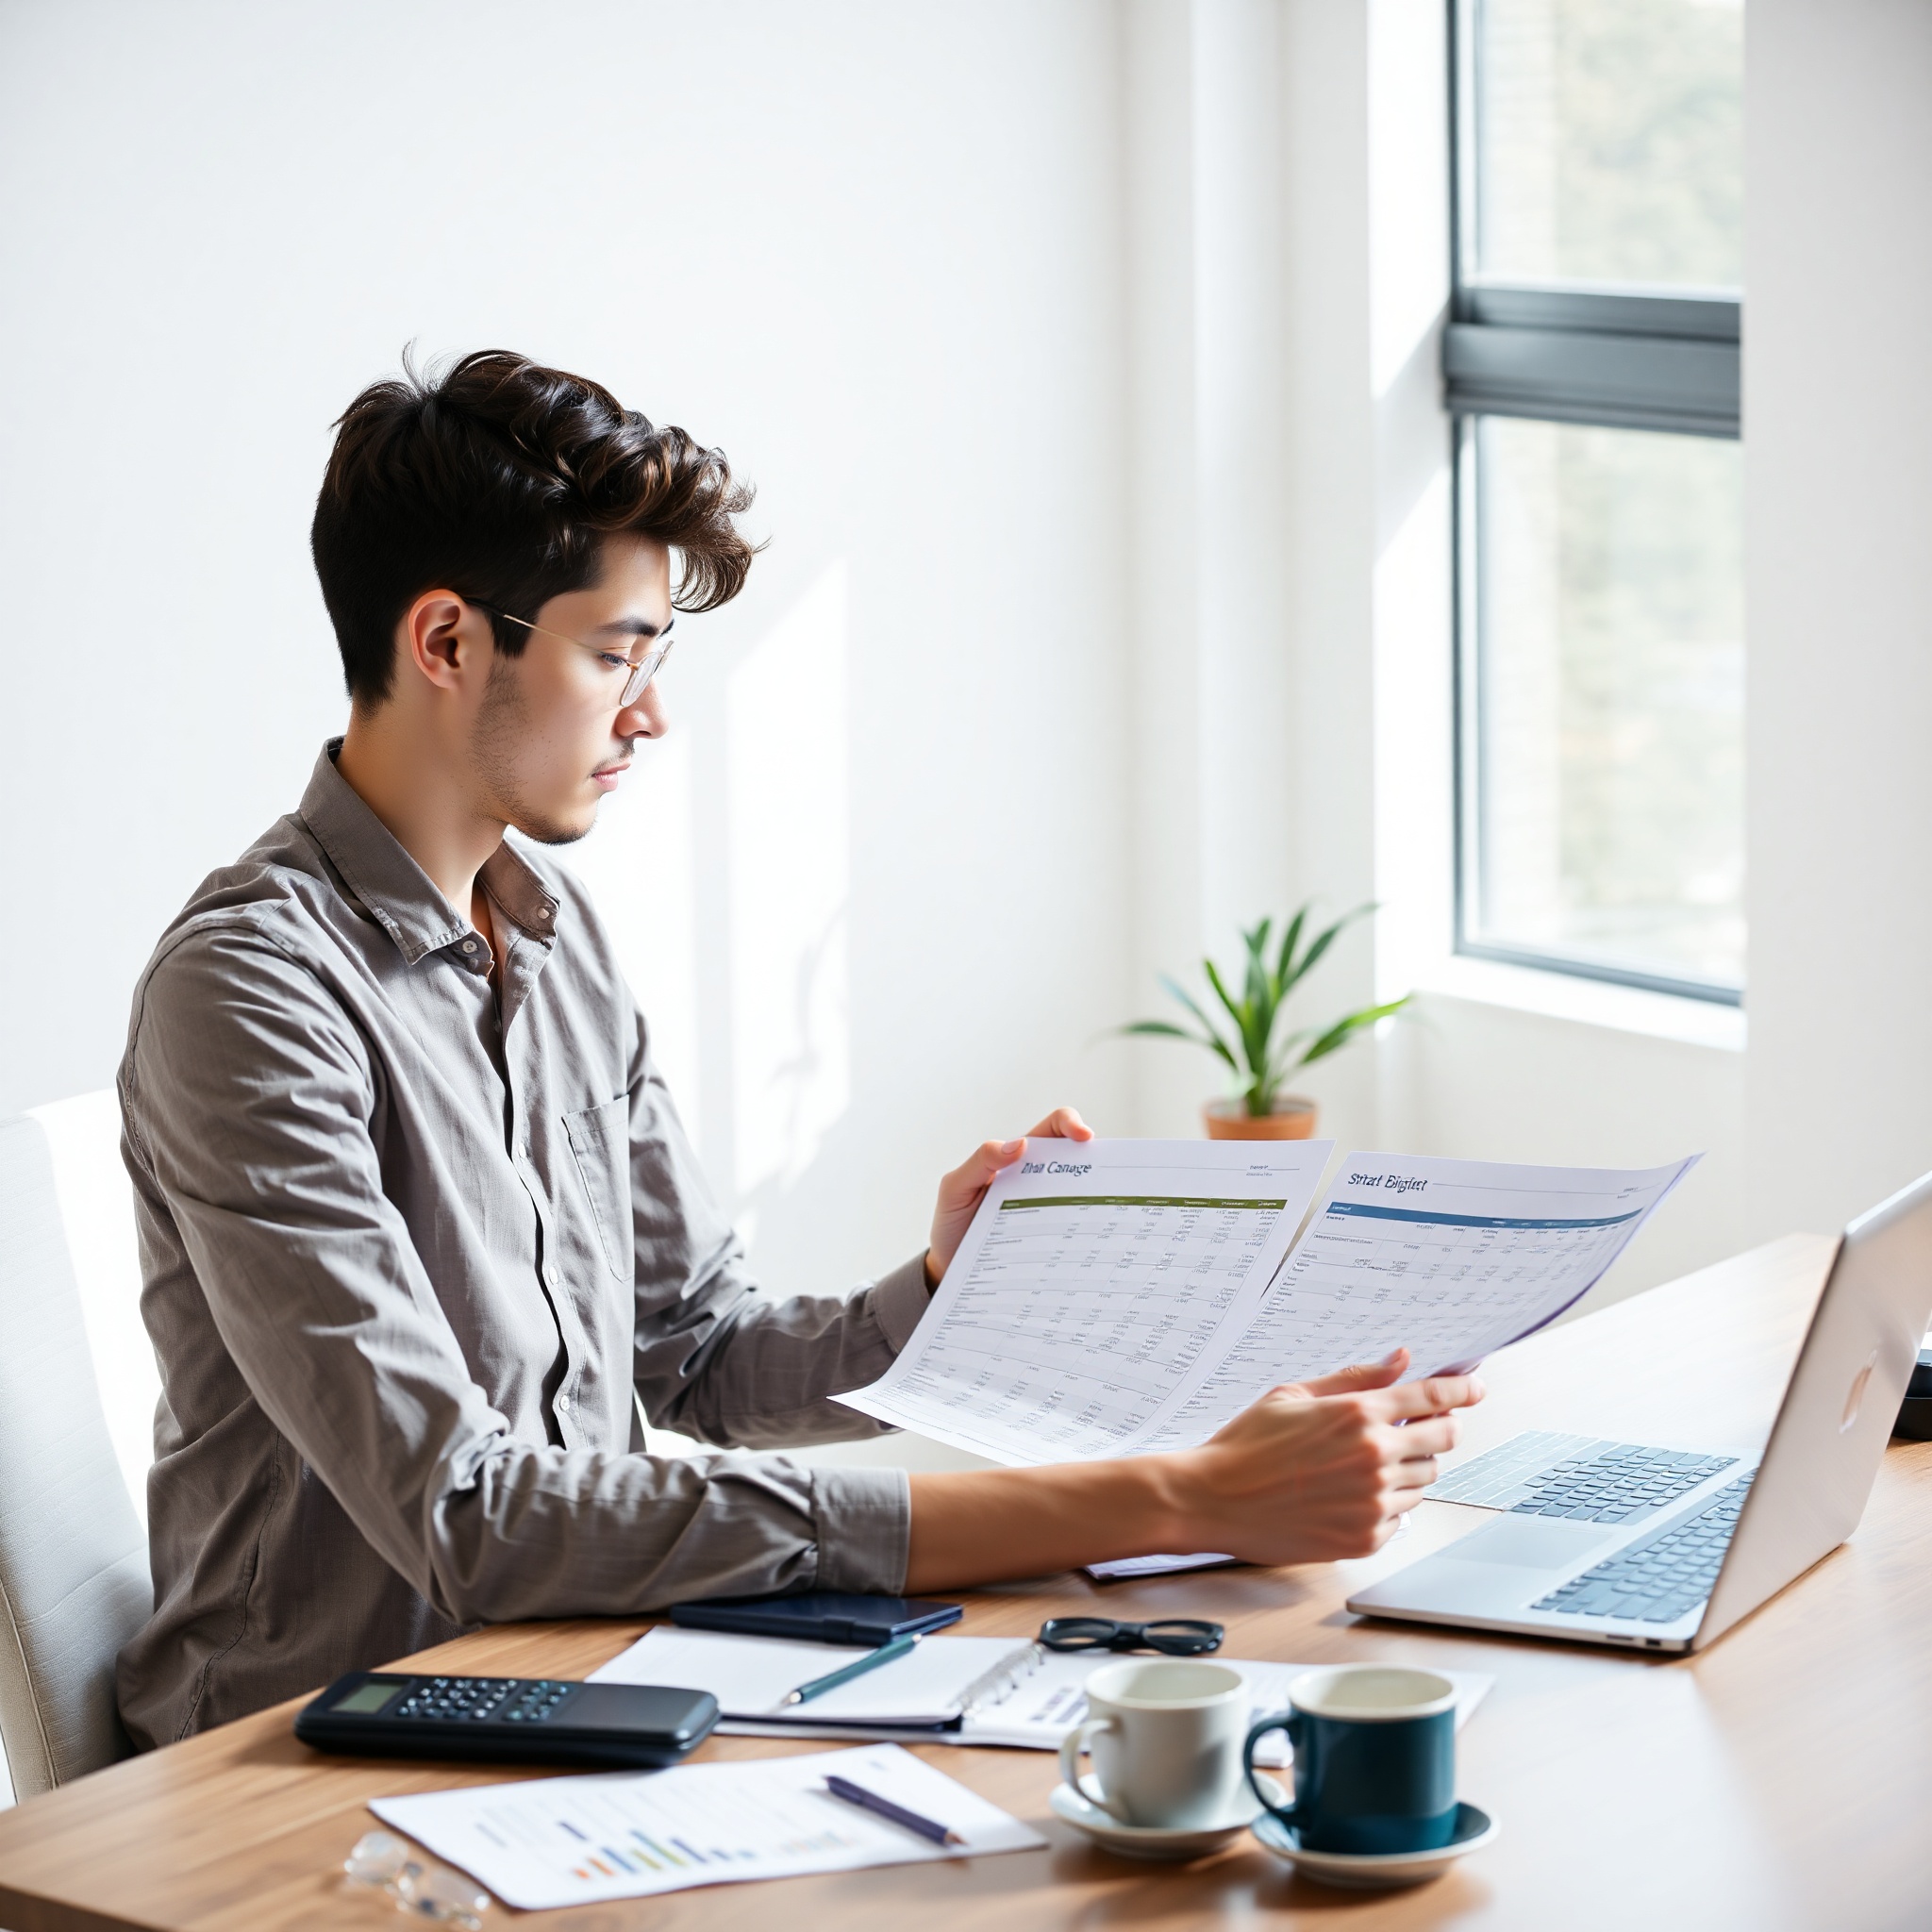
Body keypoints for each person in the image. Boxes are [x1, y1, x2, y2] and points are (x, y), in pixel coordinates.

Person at [115, 350, 1481, 1748]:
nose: (648, 716)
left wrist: (950, 1285)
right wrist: (1172, 1494)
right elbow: (476, 1519)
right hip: (298, 1750)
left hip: (576, 1688)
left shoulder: (556, 936)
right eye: (615, 655)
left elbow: (695, 1355)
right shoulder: (249, 995)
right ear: (450, 642)